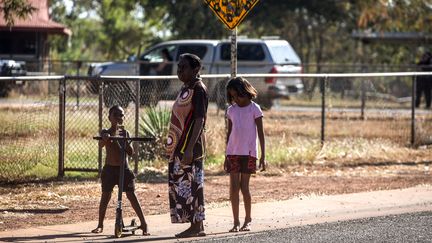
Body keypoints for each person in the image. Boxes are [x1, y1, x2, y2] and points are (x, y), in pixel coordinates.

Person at [166, 53, 208, 238]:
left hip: (190, 148)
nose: (179, 71)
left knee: (193, 186)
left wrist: (189, 149)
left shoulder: (199, 89)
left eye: (184, 67)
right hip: (179, 147)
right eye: (179, 67)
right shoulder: (186, 88)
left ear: (195, 69)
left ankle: (197, 225)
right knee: (183, 185)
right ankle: (193, 224)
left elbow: (200, 120)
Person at [92, 105, 149, 235]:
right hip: (109, 170)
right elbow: (100, 145)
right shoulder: (105, 132)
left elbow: (130, 152)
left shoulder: (125, 133)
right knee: (105, 195)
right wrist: (106, 138)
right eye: (115, 115)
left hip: (124, 169)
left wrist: (124, 141)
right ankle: (100, 225)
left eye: (121, 115)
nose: (118, 118)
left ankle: (144, 224)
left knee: (131, 195)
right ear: (109, 117)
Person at [224, 77, 266, 233]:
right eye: (233, 96)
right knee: (233, 188)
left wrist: (263, 155)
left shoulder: (255, 109)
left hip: (249, 154)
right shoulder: (231, 110)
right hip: (233, 153)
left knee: (244, 188)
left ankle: (248, 220)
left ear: (246, 92)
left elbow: (261, 133)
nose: (236, 99)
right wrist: (226, 155)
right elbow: (229, 133)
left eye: (238, 95)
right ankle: (235, 222)